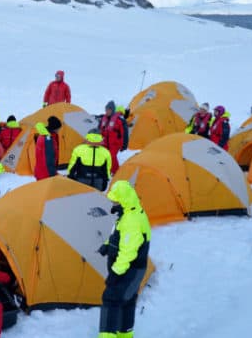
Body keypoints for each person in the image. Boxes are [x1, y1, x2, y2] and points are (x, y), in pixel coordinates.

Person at [97, 181, 151, 338]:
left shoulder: (132, 221)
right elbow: (120, 236)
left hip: (129, 270)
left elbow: (128, 252)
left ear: (123, 200)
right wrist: (108, 245)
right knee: (127, 300)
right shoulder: (128, 214)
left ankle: (107, 336)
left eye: (116, 201)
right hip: (131, 269)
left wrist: (115, 273)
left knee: (111, 298)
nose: (113, 203)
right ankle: (124, 335)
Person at [98, 101, 126, 174]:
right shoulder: (103, 119)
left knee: (112, 157)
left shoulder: (118, 121)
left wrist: (123, 145)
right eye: (106, 109)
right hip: (105, 142)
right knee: (103, 156)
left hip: (115, 144)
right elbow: (99, 130)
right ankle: (105, 170)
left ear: (112, 110)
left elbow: (124, 134)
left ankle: (116, 172)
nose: (107, 111)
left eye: (108, 109)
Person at [33, 116, 63, 181]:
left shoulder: (42, 135)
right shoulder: (48, 140)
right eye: (59, 128)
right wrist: (53, 174)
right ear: (54, 128)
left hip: (40, 171)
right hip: (46, 174)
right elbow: (49, 159)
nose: (59, 130)